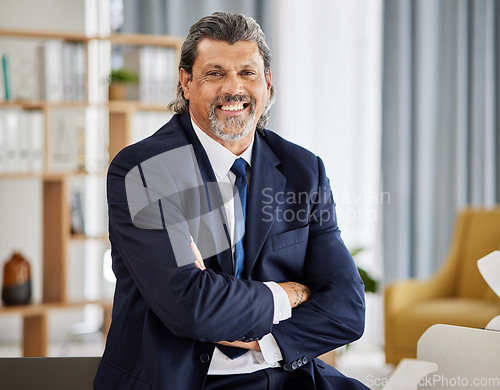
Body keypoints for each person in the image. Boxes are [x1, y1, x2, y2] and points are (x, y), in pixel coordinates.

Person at [94, 12, 368, 390]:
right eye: (215, 73)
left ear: (267, 84)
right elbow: (191, 306)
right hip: (184, 380)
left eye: (248, 73)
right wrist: (288, 293)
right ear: (186, 82)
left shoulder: (304, 170)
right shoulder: (144, 170)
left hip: (285, 369)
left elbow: (348, 310)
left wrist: (266, 342)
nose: (233, 88)